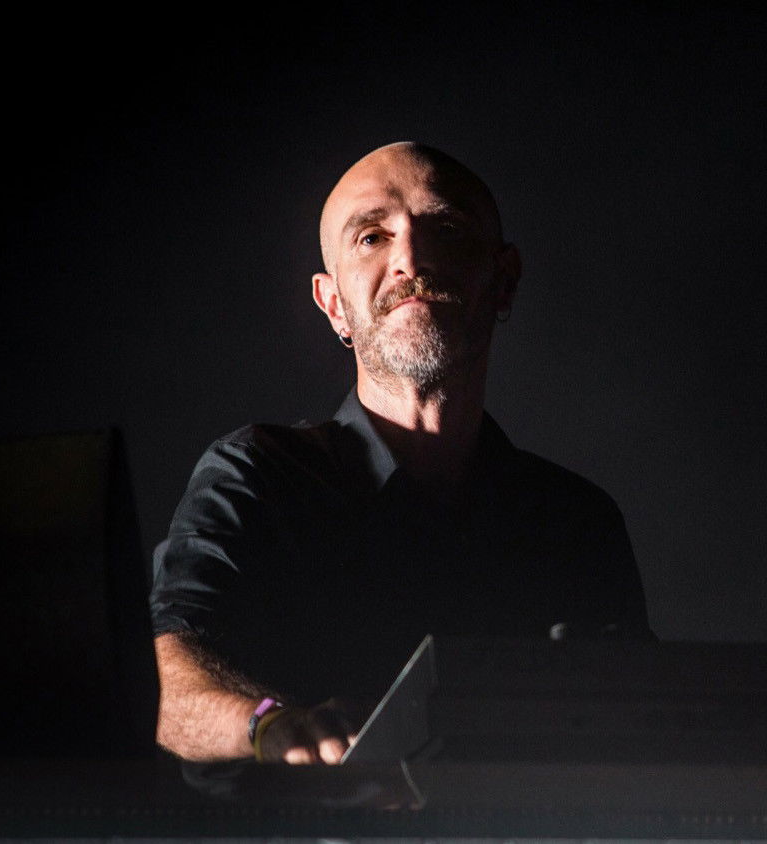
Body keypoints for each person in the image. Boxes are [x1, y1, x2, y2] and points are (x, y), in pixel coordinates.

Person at [150, 142, 652, 766]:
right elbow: (168, 683)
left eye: (446, 230)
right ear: (334, 304)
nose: (410, 258)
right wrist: (270, 727)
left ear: (504, 281)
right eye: (371, 237)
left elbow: (639, 737)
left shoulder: (577, 521)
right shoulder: (255, 477)